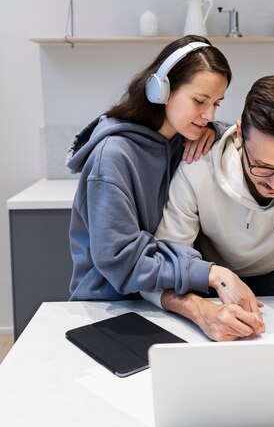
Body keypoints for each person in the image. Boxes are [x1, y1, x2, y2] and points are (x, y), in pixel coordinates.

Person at [66, 35, 263, 334]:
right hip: (111, 310)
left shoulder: (183, 138)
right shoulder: (113, 157)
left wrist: (213, 130)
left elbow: (235, 134)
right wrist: (208, 273)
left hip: (166, 303)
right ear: (162, 90)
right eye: (199, 101)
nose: (209, 114)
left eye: (216, 104)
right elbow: (121, 260)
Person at [142, 74, 274, 340]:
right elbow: (157, 274)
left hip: (269, 278)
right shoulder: (198, 166)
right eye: (263, 166)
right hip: (198, 278)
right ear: (239, 137)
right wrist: (202, 312)